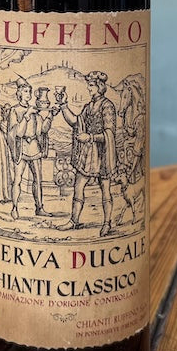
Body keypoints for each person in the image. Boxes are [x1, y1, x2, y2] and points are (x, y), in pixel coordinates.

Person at [56, 71, 117, 236]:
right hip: (88, 155)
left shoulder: (107, 106)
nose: (89, 88)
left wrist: (89, 137)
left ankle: (107, 223)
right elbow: (76, 122)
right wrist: (63, 105)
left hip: (102, 154)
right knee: (78, 186)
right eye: (88, 85)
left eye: (91, 85)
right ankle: (73, 221)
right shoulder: (88, 107)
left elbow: (109, 133)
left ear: (99, 86)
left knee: (105, 189)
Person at [9, 78, 53, 220]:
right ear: (19, 93)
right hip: (21, 149)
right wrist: (27, 115)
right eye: (25, 92)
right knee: (17, 179)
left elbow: (42, 130)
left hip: (34, 148)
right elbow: (18, 133)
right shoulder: (14, 111)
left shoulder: (34, 111)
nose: (28, 94)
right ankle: (14, 208)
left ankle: (39, 207)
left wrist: (50, 116)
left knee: (38, 180)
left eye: (29, 92)